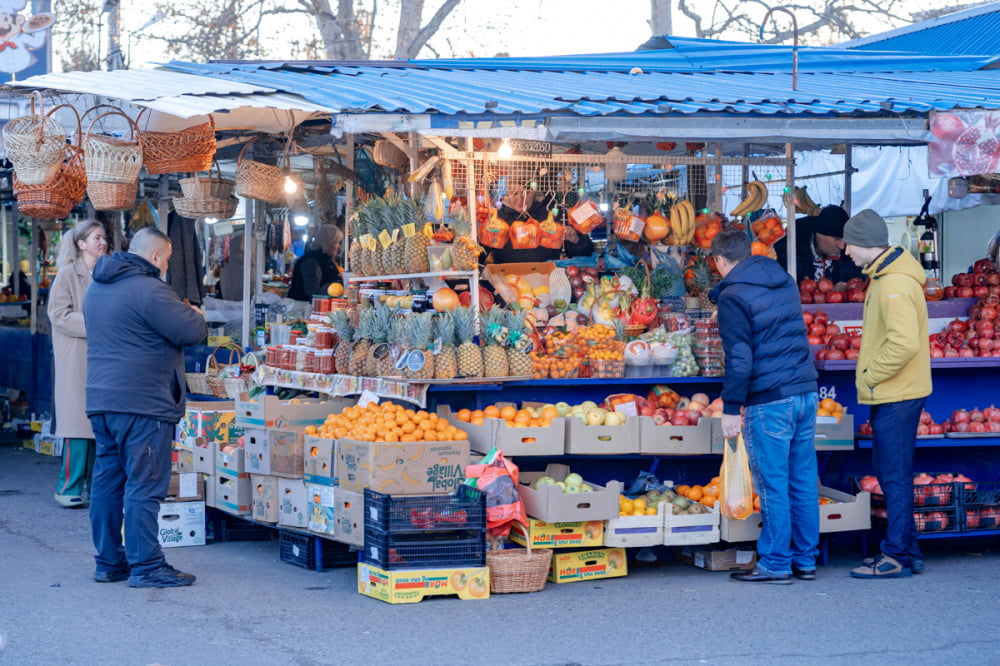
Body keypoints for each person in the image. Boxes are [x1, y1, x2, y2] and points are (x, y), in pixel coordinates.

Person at [84, 227, 207, 588]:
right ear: (155, 257)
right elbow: (191, 330)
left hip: (102, 400)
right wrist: (193, 312)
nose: (166, 266)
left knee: (108, 482)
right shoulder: (151, 290)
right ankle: (147, 565)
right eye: (166, 259)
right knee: (145, 484)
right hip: (143, 402)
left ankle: (109, 562)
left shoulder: (97, 287)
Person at [709, 227, 820, 585]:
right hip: (804, 392)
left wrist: (731, 409)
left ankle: (775, 562)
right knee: (802, 481)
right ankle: (805, 559)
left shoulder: (734, 297)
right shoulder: (782, 279)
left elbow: (740, 359)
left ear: (719, 261)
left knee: (773, 485)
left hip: (771, 399)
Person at [842, 209, 932, 579]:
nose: (845, 250)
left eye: (849, 243)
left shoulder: (893, 284)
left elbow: (904, 344)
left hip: (896, 392)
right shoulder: (884, 277)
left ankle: (894, 555)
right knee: (891, 471)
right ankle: (908, 551)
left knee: (893, 475)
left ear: (864, 244)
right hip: (897, 391)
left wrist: (871, 376)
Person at [48, 220, 107, 508]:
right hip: (75, 357)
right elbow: (58, 315)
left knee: (100, 427)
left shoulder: (107, 274)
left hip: (104, 358)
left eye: (104, 238)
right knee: (77, 428)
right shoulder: (67, 274)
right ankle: (68, 487)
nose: (102, 242)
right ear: (81, 244)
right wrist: (98, 324)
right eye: (97, 238)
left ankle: (98, 488)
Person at [489, 182, 594, 264]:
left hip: (548, 280)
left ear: (535, 192)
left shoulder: (553, 213)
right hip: (506, 280)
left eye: (527, 192)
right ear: (507, 193)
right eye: (514, 193)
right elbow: (481, 253)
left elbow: (586, 252)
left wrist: (575, 239)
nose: (520, 198)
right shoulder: (496, 216)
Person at [774, 204, 865, 285]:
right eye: (836, 239)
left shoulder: (850, 257)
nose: (841, 246)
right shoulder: (789, 253)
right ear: (818, 235)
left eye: (844, 239)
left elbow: (860, 280)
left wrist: (847, 287)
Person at [288, 225, 343, 301]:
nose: (339, 246)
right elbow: (313, 293)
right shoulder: (311, 261)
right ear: (327, 242)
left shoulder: (326, 258)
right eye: (337, 242)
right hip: (305, 308)